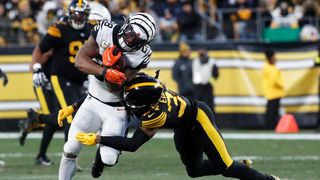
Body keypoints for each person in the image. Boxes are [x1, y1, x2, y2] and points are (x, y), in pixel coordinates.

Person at [76, 73, 280, 180]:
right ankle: (239, 165)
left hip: (199, 119)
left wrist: (99, 138)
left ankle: (270, 179)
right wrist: (76, 106)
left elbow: (133, 144)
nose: (128, 102)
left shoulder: (155, 114)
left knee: (226, 168)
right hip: (183, 127)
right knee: (194, 170)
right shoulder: (147, 88)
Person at [58, 12, 156, 180]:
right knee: (71, 147)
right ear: (127, 25)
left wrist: (112, 70)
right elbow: (80, 60)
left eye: (137, 40)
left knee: (108, 158)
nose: (131, 40)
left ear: (144, 43)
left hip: (116, 108)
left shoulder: (142, 54)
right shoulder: (105, 30)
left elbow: (114, 87)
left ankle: (100, 160)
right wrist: (105, 70)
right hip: (93, 100)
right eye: (131, 34)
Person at [19, 0, 92, 166]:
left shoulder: (89, 30)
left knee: (63, 117)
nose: (79, 18)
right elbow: (39, 53)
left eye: (82, 15)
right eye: (76, 14)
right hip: (49, 81)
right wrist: (37, 69)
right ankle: (68, 158)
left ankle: (37, 119)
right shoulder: (58, 31)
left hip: (74, 80)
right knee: (69, 118)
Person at [262, 50, 285, 129]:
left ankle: (273, 126)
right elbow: (275, 80)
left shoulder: (270, 66)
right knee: (272, 111)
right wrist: (282, 85)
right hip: (272, 92)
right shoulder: (269, 68)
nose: (276, 58)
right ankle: (269, 126)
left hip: (275, 92)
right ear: (270, 57)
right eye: (274, 57)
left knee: (274, 111)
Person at [192, 48, 219, 115]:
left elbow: (215, 73)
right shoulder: (195, 61)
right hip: (197, 86)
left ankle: (212, 121)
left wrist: (209, 82)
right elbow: (192, 72)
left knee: (210, 104)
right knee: (197, 104)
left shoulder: (211, 61)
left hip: (208, 86)